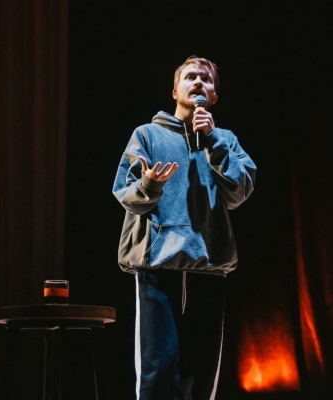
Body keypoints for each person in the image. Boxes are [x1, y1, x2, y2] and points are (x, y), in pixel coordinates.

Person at [112, 56, 256, 400]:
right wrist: (149, 184)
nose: (198, 82)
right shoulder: (147, 135)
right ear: (175, 90)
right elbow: (127, 195)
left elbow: (239, 192)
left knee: (201, 375)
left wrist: (214, 141)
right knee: (158, 372)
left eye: (206, 79)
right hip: (160, 266)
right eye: (190, 76)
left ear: (214, 97)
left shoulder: (225, 140)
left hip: (208, 267)